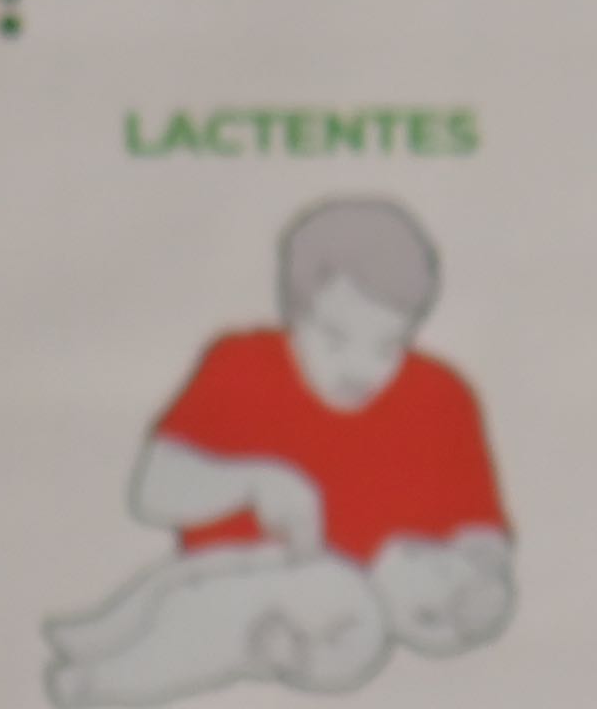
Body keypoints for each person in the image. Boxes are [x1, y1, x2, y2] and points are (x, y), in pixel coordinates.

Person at [43, 198, 514, 706]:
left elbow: (481, 527)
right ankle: (102, 659)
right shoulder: (242, 365)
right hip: (234, 572)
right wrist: (250, 482)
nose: (361, 368)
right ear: (295, 313)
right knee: (207, 592)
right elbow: (152, 490)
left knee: (347, 612)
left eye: (387, 347)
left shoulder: (441, 396)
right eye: (334, 339)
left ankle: (106, 681)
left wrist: (472, 582)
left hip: (363, 611)